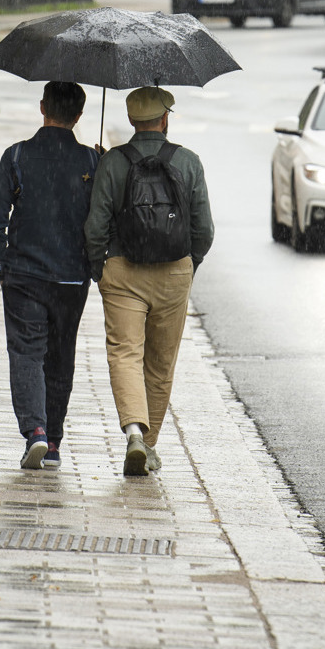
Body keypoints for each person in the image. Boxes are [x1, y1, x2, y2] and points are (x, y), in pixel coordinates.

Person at [84, 86, 214, 477]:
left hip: (123, 270)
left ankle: (135, 433)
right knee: (160, 364)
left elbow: (96, 226)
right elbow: (203, 229)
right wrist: (189, 265)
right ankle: (151, 445)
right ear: (165, 118)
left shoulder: (113, 163)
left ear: (130, 120)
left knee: (124, 353)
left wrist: (100, 268)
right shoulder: (188, 162)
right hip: (174, 273)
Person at [0, 81, 100, 470]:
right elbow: (99, 223)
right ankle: (52, 442)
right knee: (60, 356)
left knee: (27, 353)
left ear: (42, 107)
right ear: (80, 116)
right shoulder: (90, 162)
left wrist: (0, 264)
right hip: (71, 279)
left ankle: (34, 430)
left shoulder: (17, 155)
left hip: (24, 274)